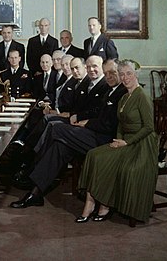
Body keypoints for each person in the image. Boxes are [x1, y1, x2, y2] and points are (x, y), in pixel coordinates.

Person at [9, 59, 127, 208]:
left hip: (104, 140)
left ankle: (31, 168)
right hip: (91, 132)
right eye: (107, 73)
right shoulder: (111, 89)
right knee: (59, 146)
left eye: (113, 73)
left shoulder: (121, 91)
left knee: (56, 128)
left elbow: (109, 123)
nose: (109, 76)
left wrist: (86, 123)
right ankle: (35, 193)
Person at [76, 60, 158, 223]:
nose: (125, 77)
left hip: (141, 145)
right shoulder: (124, 97)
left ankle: (104, 205)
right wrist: (119, 140)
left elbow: (149, 127)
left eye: (128, 73)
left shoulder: (142, 96)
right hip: (125, 142)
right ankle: (91, 202)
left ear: (135, 74)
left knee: (102, 159)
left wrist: (126, 143)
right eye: (122, 74)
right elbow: (120, 123)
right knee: (93, 154)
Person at [0, 24, 26, 94]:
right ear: (2, 33)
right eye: (4, 33)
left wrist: (11, 76)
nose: (6, 35)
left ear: (12, 33)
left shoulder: (20, 47)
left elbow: (21, 63)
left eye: (9, 32)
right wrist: (1, 75)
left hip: (15, 80)